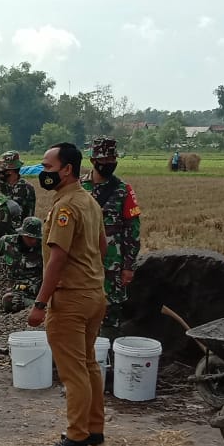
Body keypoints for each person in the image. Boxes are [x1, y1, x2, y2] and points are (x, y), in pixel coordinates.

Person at [28, 142, 107, 446]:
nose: (43, 173)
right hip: (94, 295)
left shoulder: (65, 208)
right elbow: (101, 247)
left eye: (47, 167)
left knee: (73, 371)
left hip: (71, 301)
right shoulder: (89, 201)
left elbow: (56, 260)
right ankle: (93, 429)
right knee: (88, 364)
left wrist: (40, 303)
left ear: (66, 169)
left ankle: (76, 439)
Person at [83, 137, 141, 339]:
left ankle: (108, 361)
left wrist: (128, 266)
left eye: (112, 159)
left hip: (113, 264)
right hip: (83, 262)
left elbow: (132, 230)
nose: (109, 163)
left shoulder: (123, 190)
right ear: (93, 160)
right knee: (82, 309)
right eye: (104, 159)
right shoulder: (78, 188)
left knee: (111, 313)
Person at [0, 216, 43, 313]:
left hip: (38, 288)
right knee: (8, 301)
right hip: (16, 288)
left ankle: (39, 305)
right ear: (22, 234)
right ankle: (35, 306)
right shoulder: (7, 242)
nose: (33, 241)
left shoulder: (43, 247)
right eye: (29, 237)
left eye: (35, 238)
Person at [0, 150, 36, 242]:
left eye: (3, 168)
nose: (0, 171)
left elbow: (29, 213)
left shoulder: (27, 188)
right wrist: (8, 202)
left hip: (16, 228)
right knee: (4, 210)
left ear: (10, 171)